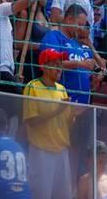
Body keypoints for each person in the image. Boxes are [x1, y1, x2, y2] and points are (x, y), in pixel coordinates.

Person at [23, 48, 78, 199]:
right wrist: (57, 110)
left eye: (60, 64)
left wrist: (73, 115)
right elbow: (31, 121)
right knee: (41, 195)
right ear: (44, 67)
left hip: (61, 149)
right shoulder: (32, 87)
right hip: (41, 150)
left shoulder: (62, 89)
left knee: (63, 195)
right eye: (55, 64)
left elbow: (66, 125)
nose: (59, 68)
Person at [40, 5, 98, 104]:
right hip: (61, 103)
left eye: (83, 25)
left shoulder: (78, 44)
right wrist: (80, 64)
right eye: (79, 24)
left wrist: (93, 77)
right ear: (69, 19)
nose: (81, 29)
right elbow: (50, 64)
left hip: (82, 105)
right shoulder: (53, 36)